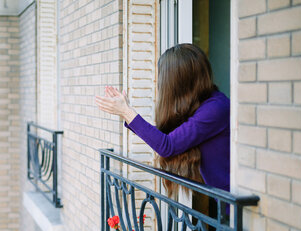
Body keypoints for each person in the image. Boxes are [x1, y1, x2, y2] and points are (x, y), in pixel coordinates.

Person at [95, 43, 230, 196]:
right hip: (225, 204)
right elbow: (166, 141)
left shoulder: (216, 109)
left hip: (235, 207)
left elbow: (167, 146)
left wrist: (126, 112)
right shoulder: (206, 104)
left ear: (176, 81)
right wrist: (127, 111)